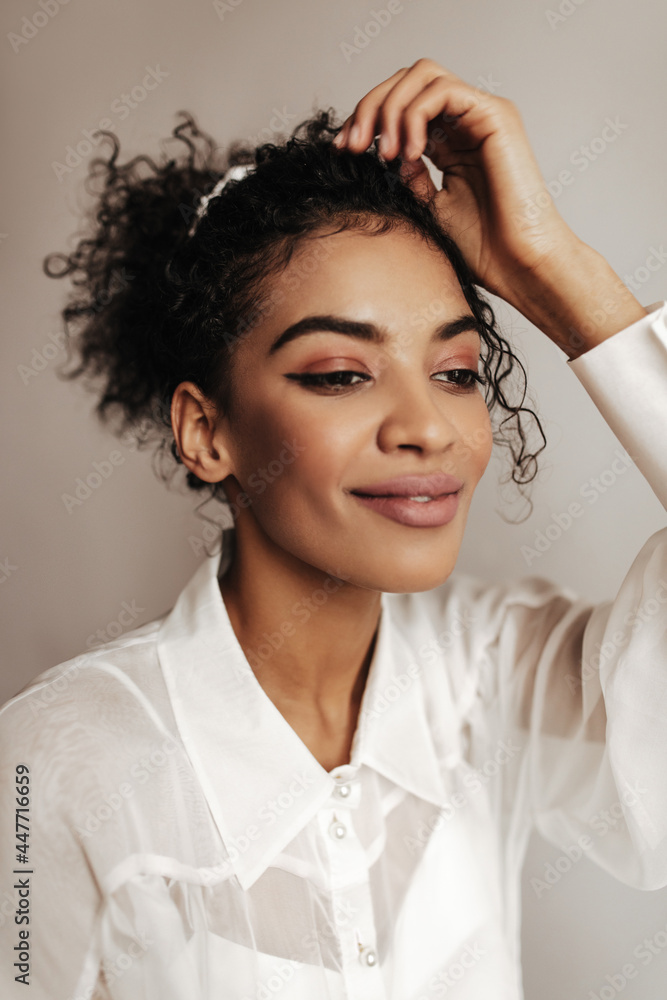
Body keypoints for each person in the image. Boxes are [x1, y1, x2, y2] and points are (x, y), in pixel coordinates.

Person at [0, 58, 665, 1000]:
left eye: (457, 372)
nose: (427, 427)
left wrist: (553, 270)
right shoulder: (44, 771)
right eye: (340, 374)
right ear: (207, 430)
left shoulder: (496, 681)